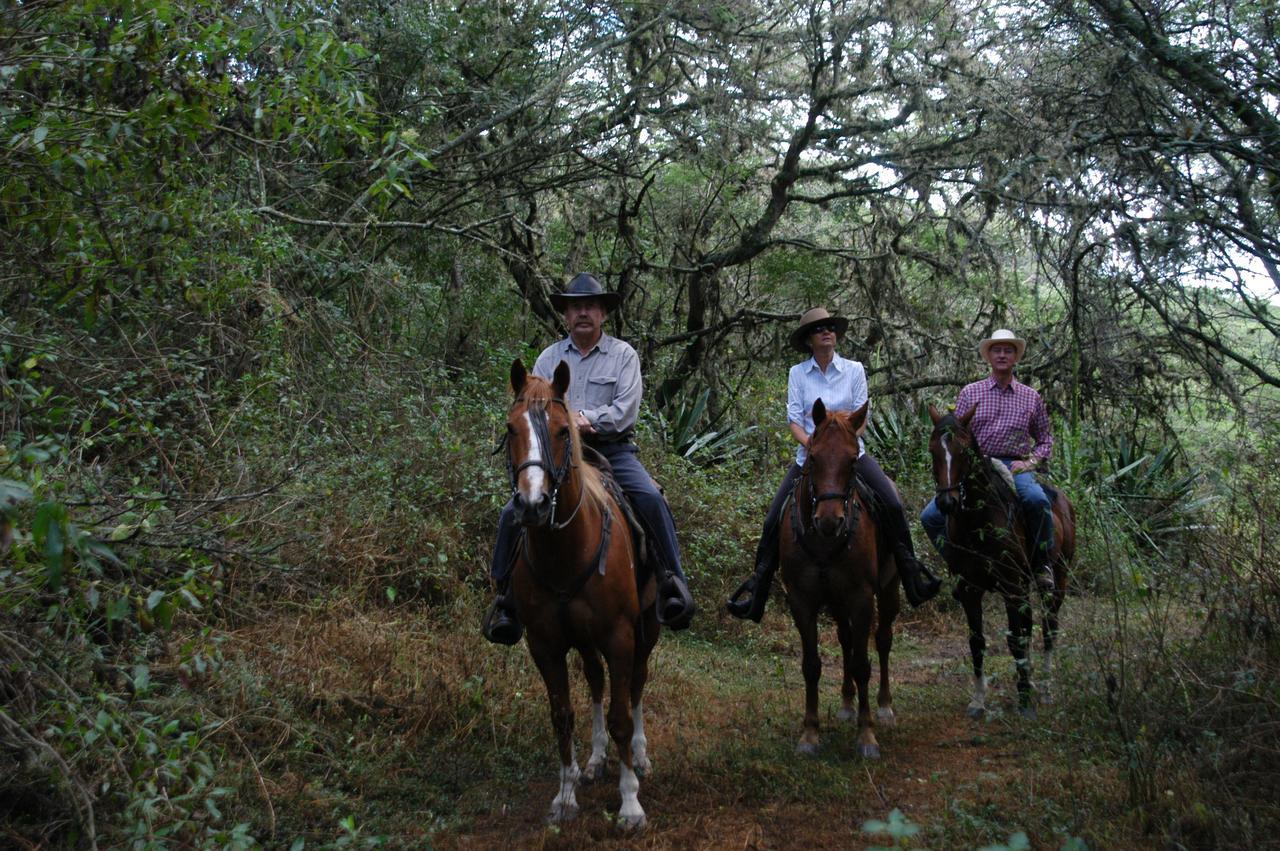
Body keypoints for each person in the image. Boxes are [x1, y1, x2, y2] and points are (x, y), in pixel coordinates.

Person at [482, 273, 696, 645]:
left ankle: (671, 583)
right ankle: (504, 600)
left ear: (602, 313)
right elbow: (534, 409)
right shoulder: (549, 358)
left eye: (590, 306)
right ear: (566, 314)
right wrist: (561, 428)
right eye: (575, 306)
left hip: (612, 450)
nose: (583, 312)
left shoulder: (623, 355)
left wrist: (587, 419)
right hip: (557, 455)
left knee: (650, 498)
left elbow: (626, 409)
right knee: (511, 512)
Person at [726, 308, 942, 622]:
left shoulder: (854, 370)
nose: (826, 332)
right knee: (773, 519)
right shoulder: (797, 374)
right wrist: (815, 447)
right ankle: (757, 590)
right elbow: (795, 422)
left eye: (830, 327)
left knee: (892, 503)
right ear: (809, 340)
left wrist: (839, 447)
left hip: (851, 458)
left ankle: (912, 573)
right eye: (819, 329)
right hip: (810, 459)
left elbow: (861, 419)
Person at [919, 328, 1056, 593]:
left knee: (1037, 500)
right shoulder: (971, 392)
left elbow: (1045, 440)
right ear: (989, 356)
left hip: (1013, 465)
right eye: (997, 350)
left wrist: (1029, 463)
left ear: (1015, 357)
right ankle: (956, 564)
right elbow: (954, 434)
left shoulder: (1031, 397)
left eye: (1008, 350)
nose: (1002, 355)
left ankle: (1042, 564)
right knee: (930, 516)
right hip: (976, 467)